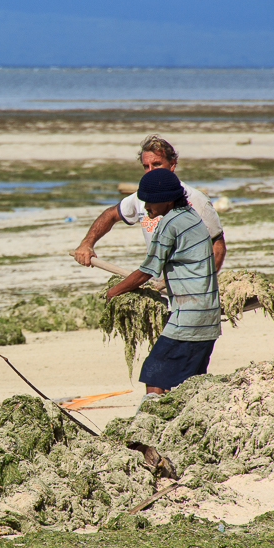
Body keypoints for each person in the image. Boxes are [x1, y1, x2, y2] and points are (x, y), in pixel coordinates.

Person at [105, 168, 221, 398]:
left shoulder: (169, 224)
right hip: (208, 316)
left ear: (167, 200)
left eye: (150, 201)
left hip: (189, 317)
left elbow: (146, 271)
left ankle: (152, 424)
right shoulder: (190, 216)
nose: (146, 206)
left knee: (154, 372)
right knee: (192, 384)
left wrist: (114, 291)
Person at [74, 134, 226, 274]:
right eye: (146, 166)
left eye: (156, 164)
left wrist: (204, 282)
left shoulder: (197, 199)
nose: (151, 171)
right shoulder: (141, 198)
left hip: (189, 285)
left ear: (172, 164)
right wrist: (87, 243)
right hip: (157, 282)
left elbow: (217, 245)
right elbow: (111, 215)